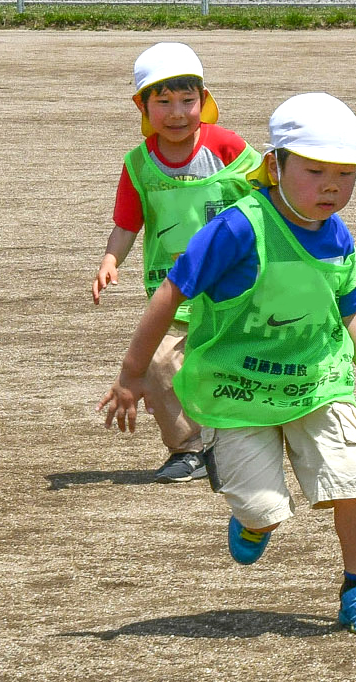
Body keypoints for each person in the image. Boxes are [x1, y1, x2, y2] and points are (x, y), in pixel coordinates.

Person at [99, 94, 356, 637]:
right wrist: (131, 374)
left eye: (346, 174)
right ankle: (253, 519)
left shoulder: (338, 236)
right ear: (275, 165)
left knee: (355, 478)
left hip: (317, 380)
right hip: (239, 389)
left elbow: (352, 313)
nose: (332, 186)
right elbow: (172, 293)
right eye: (314, 171)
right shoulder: (239, 228)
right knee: (265, 508)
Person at [91, 43, 258, 483]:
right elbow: (127, 224)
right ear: (142, 105)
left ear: (204, 100)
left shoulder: (228, 147)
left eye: (188, 100)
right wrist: (110, 259)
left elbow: (267, 194)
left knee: (236, 364)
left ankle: (241, 443)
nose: (178, 112)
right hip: (173, 293)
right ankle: (187, 449)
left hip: (233, 290)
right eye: (163, 102)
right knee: (161, 366)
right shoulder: (139, 164)